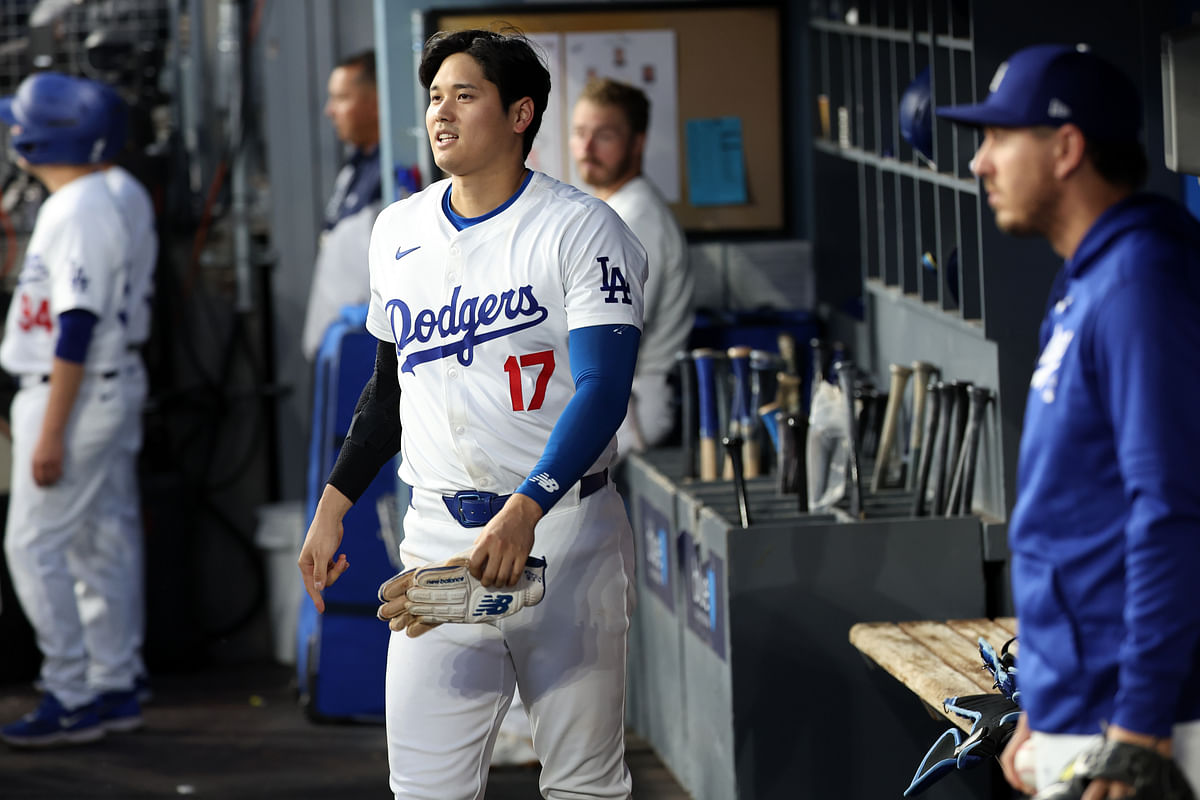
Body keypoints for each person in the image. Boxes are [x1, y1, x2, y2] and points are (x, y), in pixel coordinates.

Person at [298, 28, 647, 800]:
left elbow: (602, 389)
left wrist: (527, 509)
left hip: (563, 530)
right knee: (424, 787)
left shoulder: (583, 229)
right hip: (437, 536)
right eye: (433, 97)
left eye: (465, 95)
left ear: (521, 113)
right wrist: (333, 506)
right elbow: (388, 389)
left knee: (583, 785)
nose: (441, 113)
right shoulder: (398, 231)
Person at [938, 44, 1200, 797]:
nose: (979, 164)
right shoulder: (1090, 279)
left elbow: (1173, 509)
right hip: (1083, 707)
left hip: (1141, 724)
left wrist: (1139, 725)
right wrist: (1042, 706)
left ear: (1066, 148)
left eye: (997, 139)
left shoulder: (1142, 286)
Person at [0, 72, 142, 746]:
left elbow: (77, 327)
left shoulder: (82, 206)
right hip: (81, 392)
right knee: (90, 544)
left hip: (75, 399)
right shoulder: (82, 197)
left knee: (32, 547)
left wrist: (49, 430)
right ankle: (110, 684)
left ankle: (71, 692)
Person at [570, 77, 693, 455]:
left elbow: (617, 333)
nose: (586, 148)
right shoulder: (612, 209)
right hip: (617, 408)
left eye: (604, 136)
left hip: (634, 413)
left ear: (637, 143)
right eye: (579, 133)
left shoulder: (636, 218)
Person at [94, 80, 157, 704]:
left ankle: (103, 679)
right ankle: (115, 674)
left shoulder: (107, 192)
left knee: (88, 540)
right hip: (109, 372)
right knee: (104, 536)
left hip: (98, 374)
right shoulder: (117, 189)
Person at [300, 49, 383, 361]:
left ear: (375, 102)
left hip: (365, 354)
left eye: (341, 98)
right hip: (335, 349)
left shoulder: (390, 175)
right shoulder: (355, 167)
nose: (329, 110)